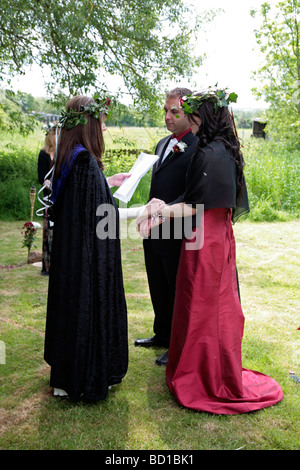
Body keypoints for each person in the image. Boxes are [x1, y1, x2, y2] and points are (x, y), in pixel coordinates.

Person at [137, 88, 283, 414]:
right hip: (220, 237)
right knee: (216, 307)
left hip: (203, 241)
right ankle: (213, 369)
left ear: (207, 117)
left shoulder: (207, 153)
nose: (193, 121)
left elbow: (192, 207)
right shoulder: (228, 150)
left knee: (202, 308)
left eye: (196, 115)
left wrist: (160, 208)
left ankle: (205, 378)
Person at [44, 94, 129, 401]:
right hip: (86, 259)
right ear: (89, 124)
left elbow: (83, 205)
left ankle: (67, 375)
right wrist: (138, 213)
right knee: (85, 306)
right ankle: (86, 373)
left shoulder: (70, 157)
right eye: (102, 122)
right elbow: (100, 218)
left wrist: (107, 182)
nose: (104, 129)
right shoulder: (85, 163)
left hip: (71, 255)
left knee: (70, 305)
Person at [134, 87, 199, 366]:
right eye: (165, 110)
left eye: (175, 111)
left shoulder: (198, 146)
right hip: (154, 228)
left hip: (179, 227)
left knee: (176, 286)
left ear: (189, 114)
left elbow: (194, 193)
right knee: (157, 282)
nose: (168, 116)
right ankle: (161, 333)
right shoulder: (162, 143)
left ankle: (176, 343)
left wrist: (165, 213)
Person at [37, 126, 56, 275]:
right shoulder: (43, 154)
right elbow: (41, 176)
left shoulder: (62, 154)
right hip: (48, 199)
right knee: (48, 231)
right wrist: (48, 183)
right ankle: (48, 265)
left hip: (59, 197)